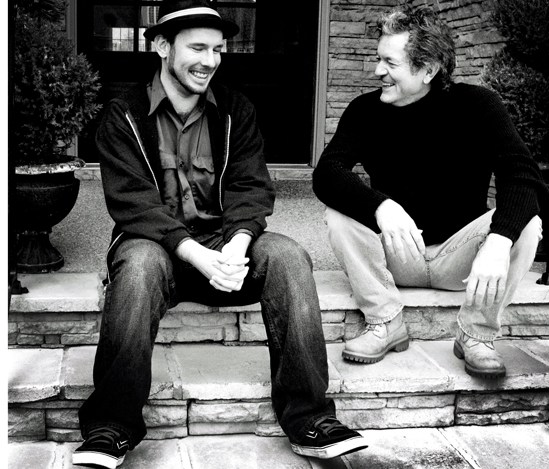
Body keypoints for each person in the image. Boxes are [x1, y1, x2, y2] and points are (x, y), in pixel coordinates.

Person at [72, 1, 367, 467]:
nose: (209, 60)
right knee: (140, 263)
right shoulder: (123, 115)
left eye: (217, 49)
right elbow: (133, 202)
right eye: (197, 48)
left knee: (289, 255)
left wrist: (238, 244)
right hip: (159, 249)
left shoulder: (235, 111)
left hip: (223, 247)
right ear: (162, 46)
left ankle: (310, 418)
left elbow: (252, 186)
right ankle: (111, 425)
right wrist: (195, 254)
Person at [313, 5, 548, 379]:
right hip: (397, 253)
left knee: (527, 224)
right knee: (338, 213)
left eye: (390, 63)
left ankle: (476, 335)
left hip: (460, 258)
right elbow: (327, 173)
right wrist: (381, 207)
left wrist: (500, 240)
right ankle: (385, 322)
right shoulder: (365, 111)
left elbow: (523, 177)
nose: (377, 71)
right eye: (378, 59)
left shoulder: (478, 105)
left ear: (428, 70)